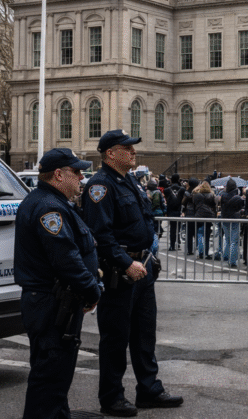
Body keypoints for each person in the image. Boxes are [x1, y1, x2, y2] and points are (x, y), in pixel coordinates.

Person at [82, 130, 183, 416]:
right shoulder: (100, 186)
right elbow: (100, 234)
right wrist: (125, 262)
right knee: (115, 338)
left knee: (144, 334)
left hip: (143, 268)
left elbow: (144, 219)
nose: (133, 152)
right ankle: (111, 396)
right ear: (110, 153)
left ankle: (149, 389)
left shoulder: (129, 181)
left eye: (133, 148)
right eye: (127, 148)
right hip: (121, 271)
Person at [15, 148, 101, 419]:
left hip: (56, 300)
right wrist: (92, 289)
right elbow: (65, 258)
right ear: (58, 174)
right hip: (52, 302)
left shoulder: (54, 201)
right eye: (76, 172)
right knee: (50, 374)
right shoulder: (49, 206)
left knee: (56, 372)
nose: (81, 177)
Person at [217, 179, 243, 267]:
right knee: (234, 241)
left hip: (224, 219)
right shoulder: (237, 196)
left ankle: (226, 256)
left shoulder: (222, 195)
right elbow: (239, 207)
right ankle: (232, 261)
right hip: (235, 219)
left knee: (227, 239)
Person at [190, 181, 217, 259]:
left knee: (200, 234)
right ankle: (206, 253)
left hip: (199, 215)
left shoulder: (196, 195)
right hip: (209, 216)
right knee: (207, 235)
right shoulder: (211, 195)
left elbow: (194, 205)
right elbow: (214, 206)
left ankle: (201, 252)